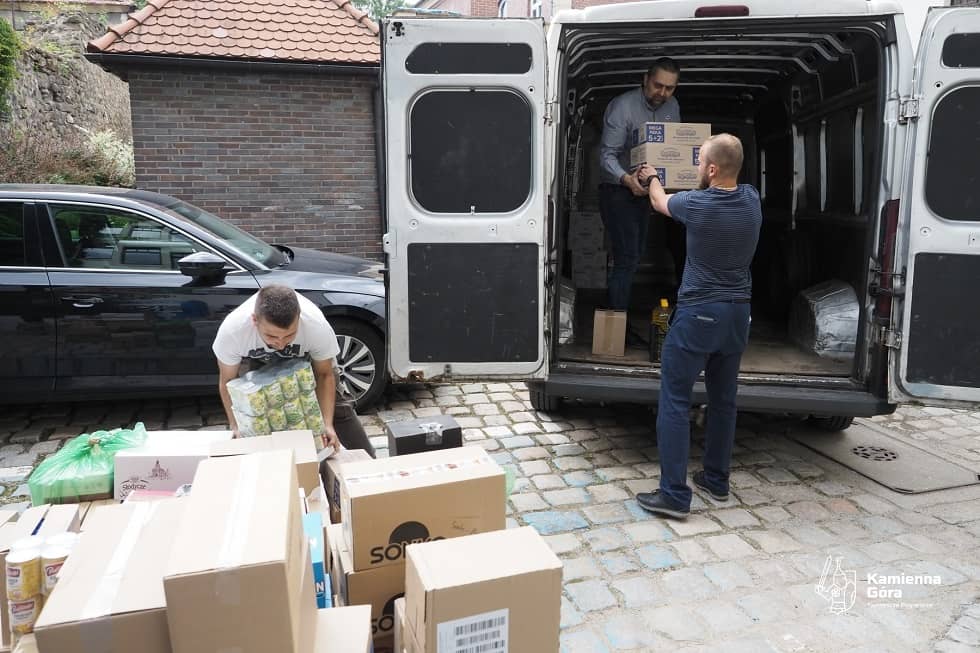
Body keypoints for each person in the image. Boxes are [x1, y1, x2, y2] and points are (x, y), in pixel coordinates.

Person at [633, 133, 762, 518]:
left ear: (712, 169)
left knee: (674, 398)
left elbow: (659, 201)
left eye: (700, 162)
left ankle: (674, 494)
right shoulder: (752, 199)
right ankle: (716, 479)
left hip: (700, 315)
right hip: (738, 315)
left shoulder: (697, 204)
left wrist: (653, 177)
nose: (697, 168)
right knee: (723, 400)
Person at [212, 284, 375, 456]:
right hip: (263, 364)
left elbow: (324, 375)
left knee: (339, 410)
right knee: (264, 416)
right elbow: (228, 381)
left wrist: (326, 425)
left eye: (289, 335)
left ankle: (370, 462)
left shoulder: (316, 326)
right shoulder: (233, 331)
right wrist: (236, 426)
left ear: (299, 318)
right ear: (254, 320)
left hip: (310, 360)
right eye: (271, 336)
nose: (281, 344)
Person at [598, 57, 681, 314]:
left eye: (669, 88)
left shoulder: (672, 106)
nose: (662, 93)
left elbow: (673, 147)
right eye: (658, 85)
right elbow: (606, 156)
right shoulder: (623, 107)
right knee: (627, 257)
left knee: (635, 255)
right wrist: (627, 179)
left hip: (647, 190)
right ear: (645, 79)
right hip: (618, 190)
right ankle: (616, 323)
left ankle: (620, 318)